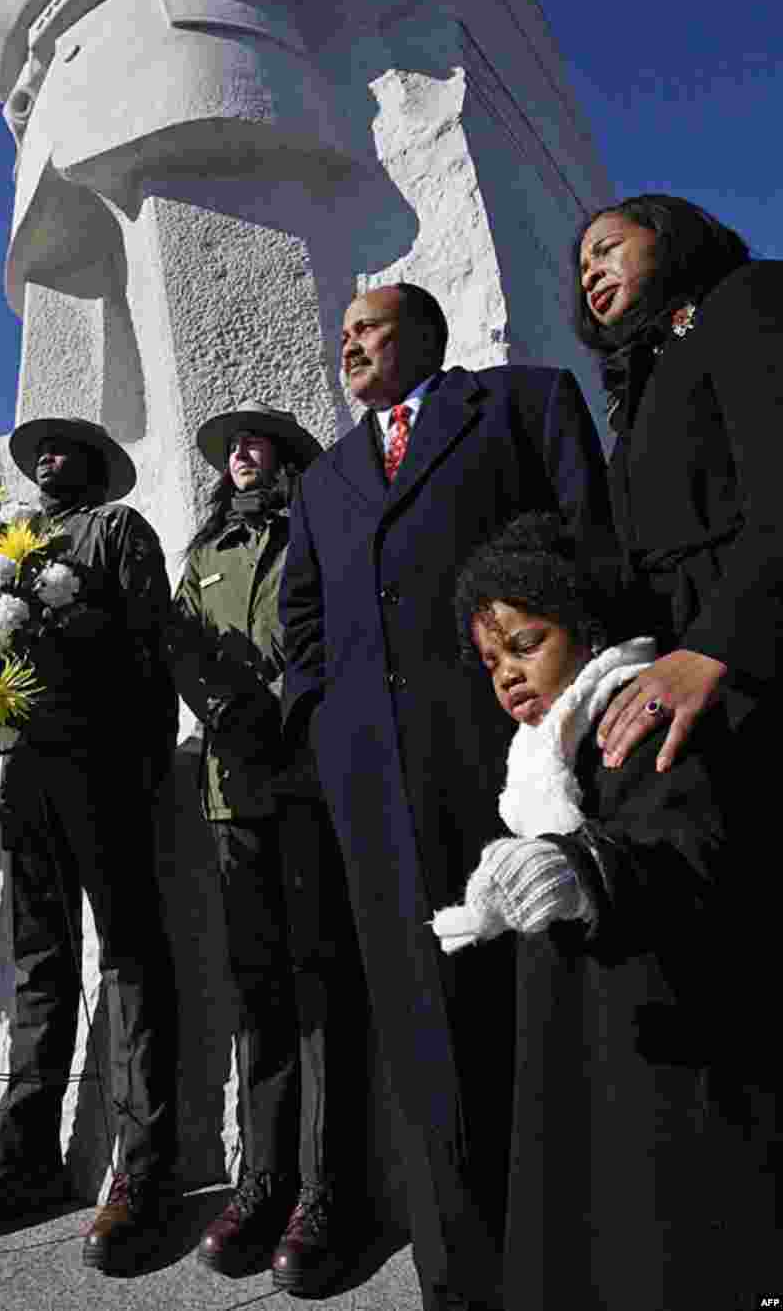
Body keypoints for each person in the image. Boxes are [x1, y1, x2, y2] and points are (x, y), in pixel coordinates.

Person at [281, 283, 614, 1311]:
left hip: (508, 758)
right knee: (418, 1025)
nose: (351, 343)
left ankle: (572, 1257)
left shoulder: (517, 404)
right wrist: (323, 725)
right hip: (372, 788)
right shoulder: (325, 478)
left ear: (425, 333)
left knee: (538, 996)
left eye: (369, 326)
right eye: (342, 334)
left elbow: (587, 545)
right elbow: (301, 616)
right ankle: (458, 1276)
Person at [435, 511, 775, 1309]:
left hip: (667, 1039)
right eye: (491, 661)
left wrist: (584, 867)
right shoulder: (541, 749)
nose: (508, 675)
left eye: (527, 644)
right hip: (588, 1033)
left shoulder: (630, 713)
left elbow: (685, 845)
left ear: (586, 629)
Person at [0, 418, 179, 1275]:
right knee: (37, 964)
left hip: (104, 769)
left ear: (96, 466)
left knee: (131, 961)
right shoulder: (2, 545)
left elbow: (151, 647)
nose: (48, 459)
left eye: (65, 449)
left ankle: (146, 1173)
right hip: (24, 780)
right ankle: (25, 1160)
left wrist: (141, 767)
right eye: (41, 452)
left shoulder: (116, 530)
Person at [168, 401, 367, 1295]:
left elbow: (333, 636)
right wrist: (217, 708)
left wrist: (276, 706)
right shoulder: (204, 557)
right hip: (228, 795)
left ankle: (330, 1193)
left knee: (323, 986)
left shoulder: (312, 531)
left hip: (307, 786)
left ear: (284, 458)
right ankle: (264, 1181)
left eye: (256, 443)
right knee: (259, 995)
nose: (241, 456)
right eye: (231, 448)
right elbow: (179, 647)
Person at [572, 194, 783, 774]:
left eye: (607, 249)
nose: (590, 272)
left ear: (668, 237)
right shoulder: (641, 389)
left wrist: (719, 644)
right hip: (682, 661)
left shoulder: (745, 299)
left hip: (750, 647)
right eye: (583, 266)